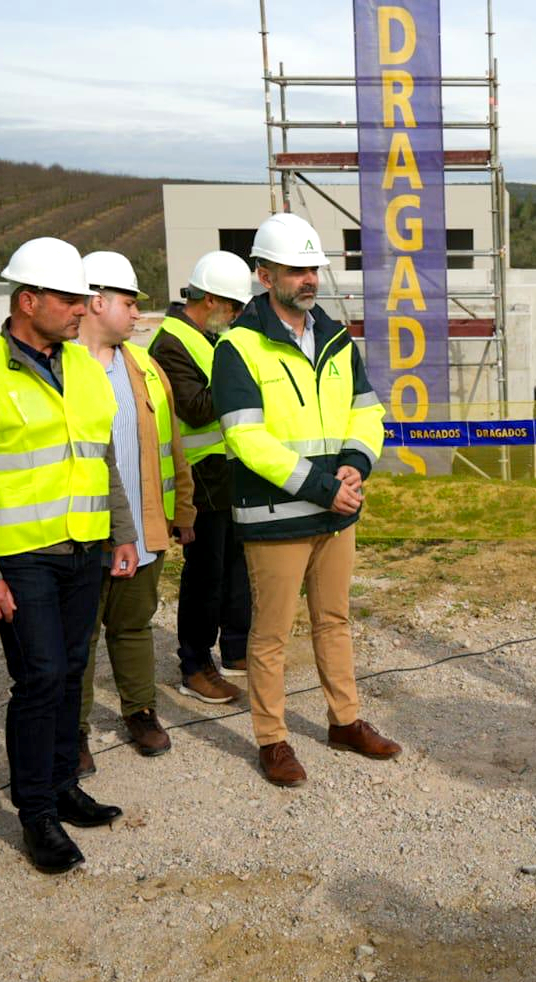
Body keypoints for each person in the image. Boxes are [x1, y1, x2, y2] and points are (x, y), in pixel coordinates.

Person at [0, 237, 137, 874]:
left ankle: (60, 788)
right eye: (70, 298)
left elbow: (102, 459)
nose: (82, 309)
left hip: (86, 547)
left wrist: (123, 532)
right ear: (29, 301)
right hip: (21, 558)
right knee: (41, 677)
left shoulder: (81, 366)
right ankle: (36, 816)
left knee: (73, 669)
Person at [212, 213, 399, 787]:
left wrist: (357, 462)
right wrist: (324, 486)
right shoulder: (238, 348)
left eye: (313, 268)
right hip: (278, 515)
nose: (309, 279)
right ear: (265, 274)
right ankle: (272, 739)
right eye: (296, 269)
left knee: (334, 620)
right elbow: (246, 438)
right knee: (270, 635)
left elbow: (366, 411)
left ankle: (344, 721)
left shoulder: (338, 340)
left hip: (335, 511)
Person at [73, 251, 197, 772]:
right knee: (77, 636)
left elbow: (173, 445)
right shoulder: (60, 367)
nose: (137, 314)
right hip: (79, 529)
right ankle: (72, 729)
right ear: (97, 302)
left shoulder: (144, 367)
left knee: (133, 625)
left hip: (144, 529)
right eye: (129, 303)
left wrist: (183, 508)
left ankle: (141, 711)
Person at [149, 251, 253, 705]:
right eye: (232, 308)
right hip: (199, 480)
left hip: (224, 474)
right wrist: (246, 382)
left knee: (235, 568)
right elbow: (193, 407)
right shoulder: (170, 344)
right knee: (205, 577)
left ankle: (235, 646)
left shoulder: (205, 337)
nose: (234, 318)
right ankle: (194, 663)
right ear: (210, 300)